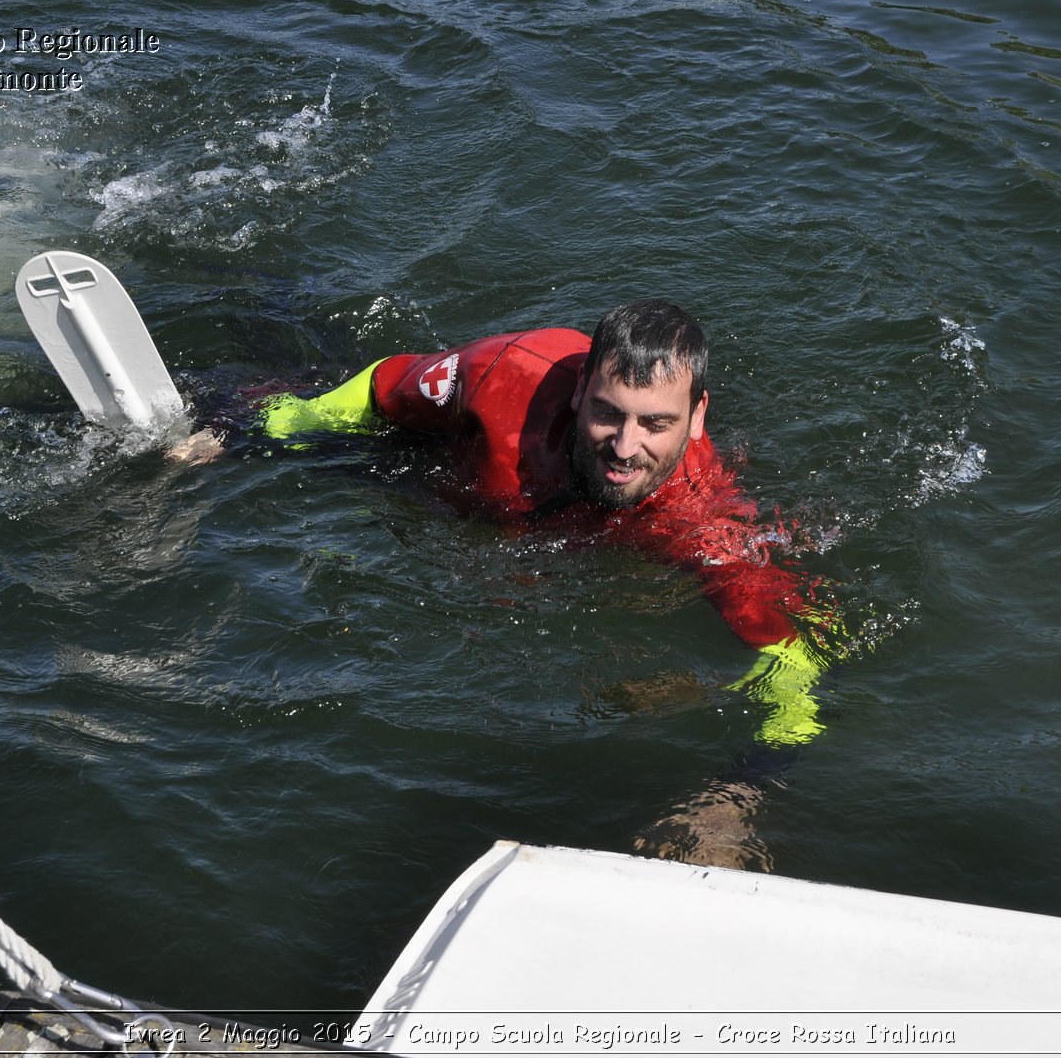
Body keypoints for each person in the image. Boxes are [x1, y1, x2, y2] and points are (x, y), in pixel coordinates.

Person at [172, 300, 843, 867]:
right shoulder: (511, 373)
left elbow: (797, 660)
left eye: (656, 424)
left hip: (527, 531)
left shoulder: (703, 518)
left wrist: (741, 790)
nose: (625, 446)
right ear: (579, 389)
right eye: (609, 413)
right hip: (417, 462)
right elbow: (382, 385)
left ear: (697, 417)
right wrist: (255, 429)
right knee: (293, 421)